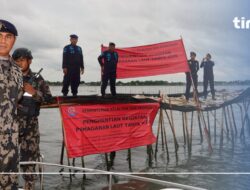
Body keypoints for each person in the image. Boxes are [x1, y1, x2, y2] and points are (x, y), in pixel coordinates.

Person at [12, 48, 52, 190]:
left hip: (30, 129)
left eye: (22, 60)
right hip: (10, 128)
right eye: (16, 61)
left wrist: (33, 92)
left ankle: (30, 187)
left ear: (29, 61)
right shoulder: (8, 77)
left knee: (30, 162)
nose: (19, 63)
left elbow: (48, 99)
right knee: (8, 161)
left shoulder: (38, 79)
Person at [0, 19, 23, 190]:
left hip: (11, 143)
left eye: (8, 36)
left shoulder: (17, 70)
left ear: (13, 40)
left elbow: (18, 97)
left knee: (10, 184)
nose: (3, 40)